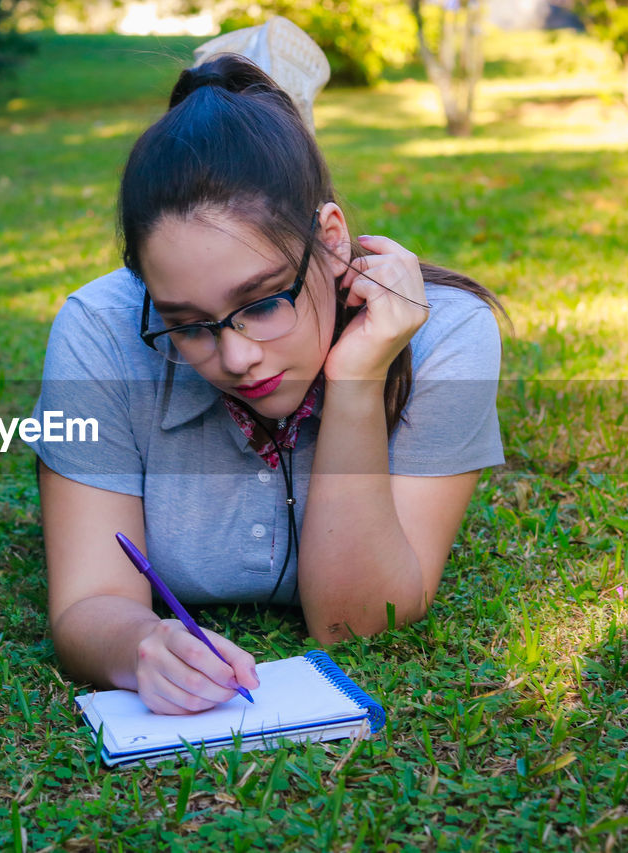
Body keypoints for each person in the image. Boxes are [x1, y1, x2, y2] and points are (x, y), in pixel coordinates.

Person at [31, 55, 504, 715]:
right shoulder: (101, 332)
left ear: (330, 238)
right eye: (187, 325)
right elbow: (88, 603)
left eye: (261, 301)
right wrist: (141, 641)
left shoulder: (450, 335)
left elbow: (356, 622)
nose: (236, 355)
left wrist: (358, 379)